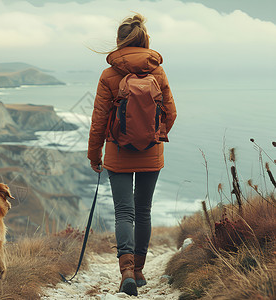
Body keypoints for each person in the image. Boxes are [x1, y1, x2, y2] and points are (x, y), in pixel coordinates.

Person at [87, 13, 177, 296]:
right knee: (144, 211)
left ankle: (125, 270)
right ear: (144, 39)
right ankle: (138, 271)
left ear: (119, 41)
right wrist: (155, 136)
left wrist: (94, 155)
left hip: (118, 152)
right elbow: (171, 113)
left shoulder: (109, 74)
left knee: (124, 212)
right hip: (151, 153)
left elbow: (99, 120)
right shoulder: (157, 72)